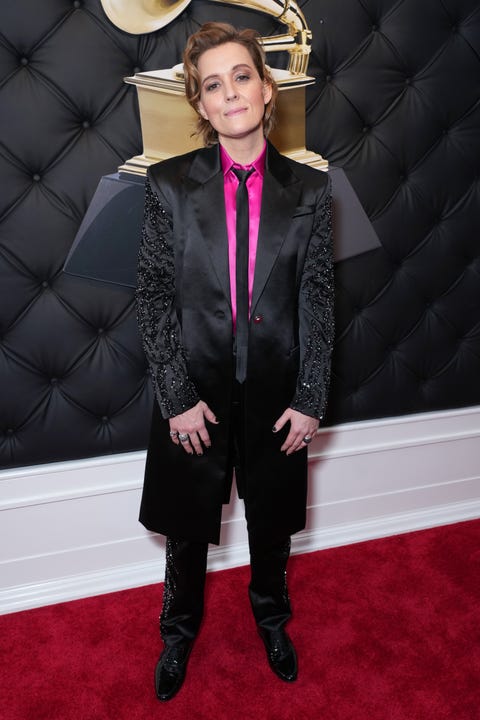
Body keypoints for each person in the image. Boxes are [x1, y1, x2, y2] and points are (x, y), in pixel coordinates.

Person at [135, 21, 334, 702]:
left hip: (278, 393)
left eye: (241, 75)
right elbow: (155, 296)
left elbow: (317, 301)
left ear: (267, 85)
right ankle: (177, 634)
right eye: (212, 85)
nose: (230, 93)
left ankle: (272, 620)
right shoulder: (166, 186)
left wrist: (310, 398)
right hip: (197, 392)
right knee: (188, 530)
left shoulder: (309, 190)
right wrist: (175, 395)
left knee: (271, 522)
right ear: (199, 105)